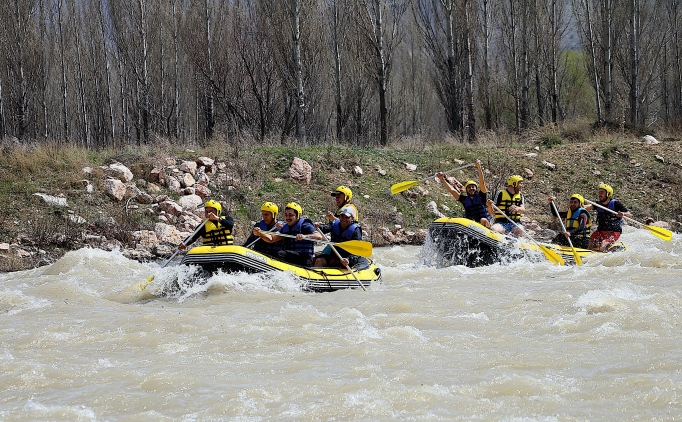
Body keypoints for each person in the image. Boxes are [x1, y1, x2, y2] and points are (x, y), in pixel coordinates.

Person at [253, 202, 323, 266]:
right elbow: (271, 239)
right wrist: (260, 234)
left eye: (290, 215)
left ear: (297, 215)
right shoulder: (286, 227)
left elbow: (319, 236)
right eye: (286, 215)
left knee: (280, 254)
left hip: (304, 257)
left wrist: (304, 236)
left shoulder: (305, 225)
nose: (287, 218)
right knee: (272, 254)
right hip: (291, 256)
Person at [436, 160, 492, 228]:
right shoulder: (464, 199)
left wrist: (479, 167)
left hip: (485, 223)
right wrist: (442, 179)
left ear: (476, 188)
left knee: (483, 220)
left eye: (473, 187)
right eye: (469, 187)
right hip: (472, 224)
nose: (471, 188)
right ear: (466, 190)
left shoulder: (481, 196)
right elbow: (452, 190)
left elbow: (482, 182)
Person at [584, 183, 632, 251]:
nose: (599, 194)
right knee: (591, 241)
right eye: (599, 192)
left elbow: (629, 214)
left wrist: (623, 214)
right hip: (601, 231)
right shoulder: (598, 204)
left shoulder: (615, 203)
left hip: (614, 232)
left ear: (608, 194)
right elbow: (587, 207)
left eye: (602, 192)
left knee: (604, 243)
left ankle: (604, 254)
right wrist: (578, 204)